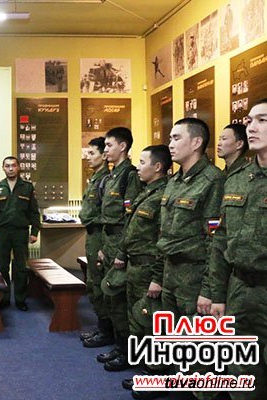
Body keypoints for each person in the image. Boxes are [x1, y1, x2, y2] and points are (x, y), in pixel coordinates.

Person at [134, 118, 225, 400]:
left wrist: (209, 290)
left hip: (195, 276)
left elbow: (215, 241)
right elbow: (165, 235)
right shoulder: (174, 181)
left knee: (198, 349)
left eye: (176, 138)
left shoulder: (213, 181)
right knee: (170, 339)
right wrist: (158, 276)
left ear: (196, 142)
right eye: (170, 138)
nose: (170, 144)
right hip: (171, 273)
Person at [210, 99, 267, 399]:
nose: (252, 127)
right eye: (249, 120)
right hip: (240, 291)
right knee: (243, 376)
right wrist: (217, 294)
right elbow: (221, 240)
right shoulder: (237, 179)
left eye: (262, 120)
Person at [114, 145, 171, 391]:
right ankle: (142, 366)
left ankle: (155, 376)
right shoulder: (146, 192)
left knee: (152, 323)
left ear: (157, 167)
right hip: (136, 266)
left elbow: (163, 239)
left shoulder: (163, 195)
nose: (138, 167)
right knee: (137, 318)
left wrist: (157, 276)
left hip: (150, 268)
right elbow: (132, 230)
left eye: (142, 162)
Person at [87, 128, 142, 374]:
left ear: (122, 146)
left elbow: (129, 219)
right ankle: (119, 345)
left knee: (120, 299)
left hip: (120, 245)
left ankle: (126, 351)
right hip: (108, 244)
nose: (106, 149)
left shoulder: (129, 176)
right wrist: (104, 248)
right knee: (110, 296)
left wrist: (122, 251)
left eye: (109, 145)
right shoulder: (111, 176)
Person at [0, 156, 40, 311]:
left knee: (21, 267)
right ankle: (3, 299)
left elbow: (34, 212)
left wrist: (34, 231)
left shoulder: (27, 187)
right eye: (7, 166)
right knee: (2, 267)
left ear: (18, 167)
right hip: (2, 232)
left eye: (13, 165)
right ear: (3, 168)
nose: (10, 168)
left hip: (20, 232)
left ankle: (20, 299)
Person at [78, 137, 110, 342]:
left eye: (92, 153)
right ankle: (101, 326)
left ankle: (107, 331)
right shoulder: (96, 178)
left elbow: (109, 215)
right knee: (93, 283)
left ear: (104, 155)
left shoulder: (107, 180)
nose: (87, 157)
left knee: (100, 285)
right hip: (92, 236)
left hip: (100, 236)